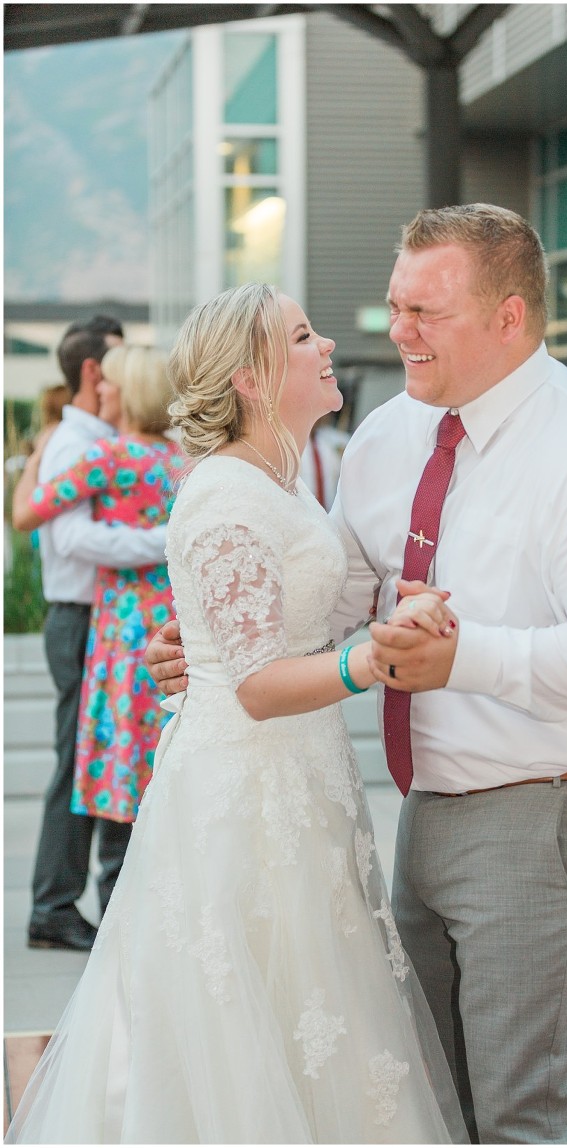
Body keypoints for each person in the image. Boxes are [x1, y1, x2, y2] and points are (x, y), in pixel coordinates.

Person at [148, 204, 567, 1145]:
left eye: (425, 313)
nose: (396, 331)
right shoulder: (391, 434)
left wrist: (465, 657)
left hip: (555, 807)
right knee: (429, 1087)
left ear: (510, 317)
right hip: (425, 809)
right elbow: (349, 593)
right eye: (395, 305)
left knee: (528, 1106)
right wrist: (226, 642)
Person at [6, 284, 466, 1145]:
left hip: (299, 784)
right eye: (301, 334)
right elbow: (255, 685)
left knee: (313, 1022)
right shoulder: (225, 493)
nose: (325, 343)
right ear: (252, 377)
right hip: (243, 801)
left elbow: (276, 621)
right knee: (239, 1032)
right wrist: (370, 658)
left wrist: (384, 611)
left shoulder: (278, 482)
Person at [11, 324, 168, 952]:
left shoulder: (106, 447)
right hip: (92, 621)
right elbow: (56, 529)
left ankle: (79, 909)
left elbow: (30, 512)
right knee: (97, 765)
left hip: (117, 626)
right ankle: (60, 906)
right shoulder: (89, 444)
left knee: (109, 765)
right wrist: (166, 544)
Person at [14, 345, 185, 824]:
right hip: (170, 619)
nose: (100, 390)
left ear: (128, 393)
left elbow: (27, 513)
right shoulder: (178, 459)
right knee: (159, 741)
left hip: (123, 624)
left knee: (124, 757)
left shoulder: (106, 457)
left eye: (109, 382)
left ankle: (119, 884)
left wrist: (34, 461)